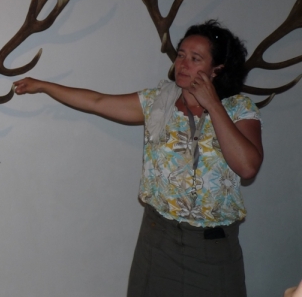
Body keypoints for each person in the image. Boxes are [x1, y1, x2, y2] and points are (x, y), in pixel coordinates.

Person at [13, 20, 263, 297]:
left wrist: (213, 105)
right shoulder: (159, 102)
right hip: (158, 239)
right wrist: (43, 86)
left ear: (217, 69)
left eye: (195, 59)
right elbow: (97, 101)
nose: (183, 64)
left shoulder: (238, 108)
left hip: (210, 248)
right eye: (181, 55)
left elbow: (247, 167)